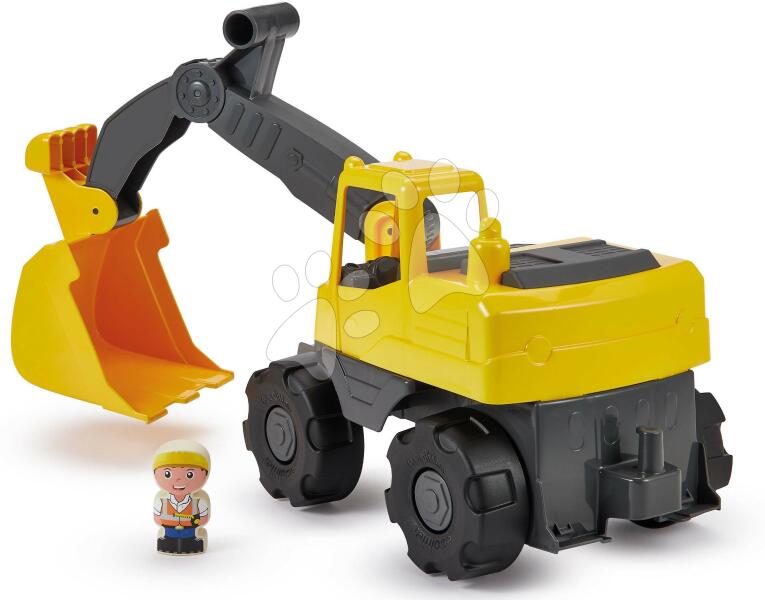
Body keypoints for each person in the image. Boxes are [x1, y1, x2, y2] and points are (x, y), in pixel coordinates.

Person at [152, 439, 211, 554]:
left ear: (205, 474)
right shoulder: (161, 501)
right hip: (169, 534)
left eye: (190, 474)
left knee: (192, 546)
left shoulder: (200, 502)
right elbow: (157, 518)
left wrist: (194, 520)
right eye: (167, 474)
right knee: (167, 545)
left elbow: (204, 518)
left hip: (191, 535)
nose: (178, 480)